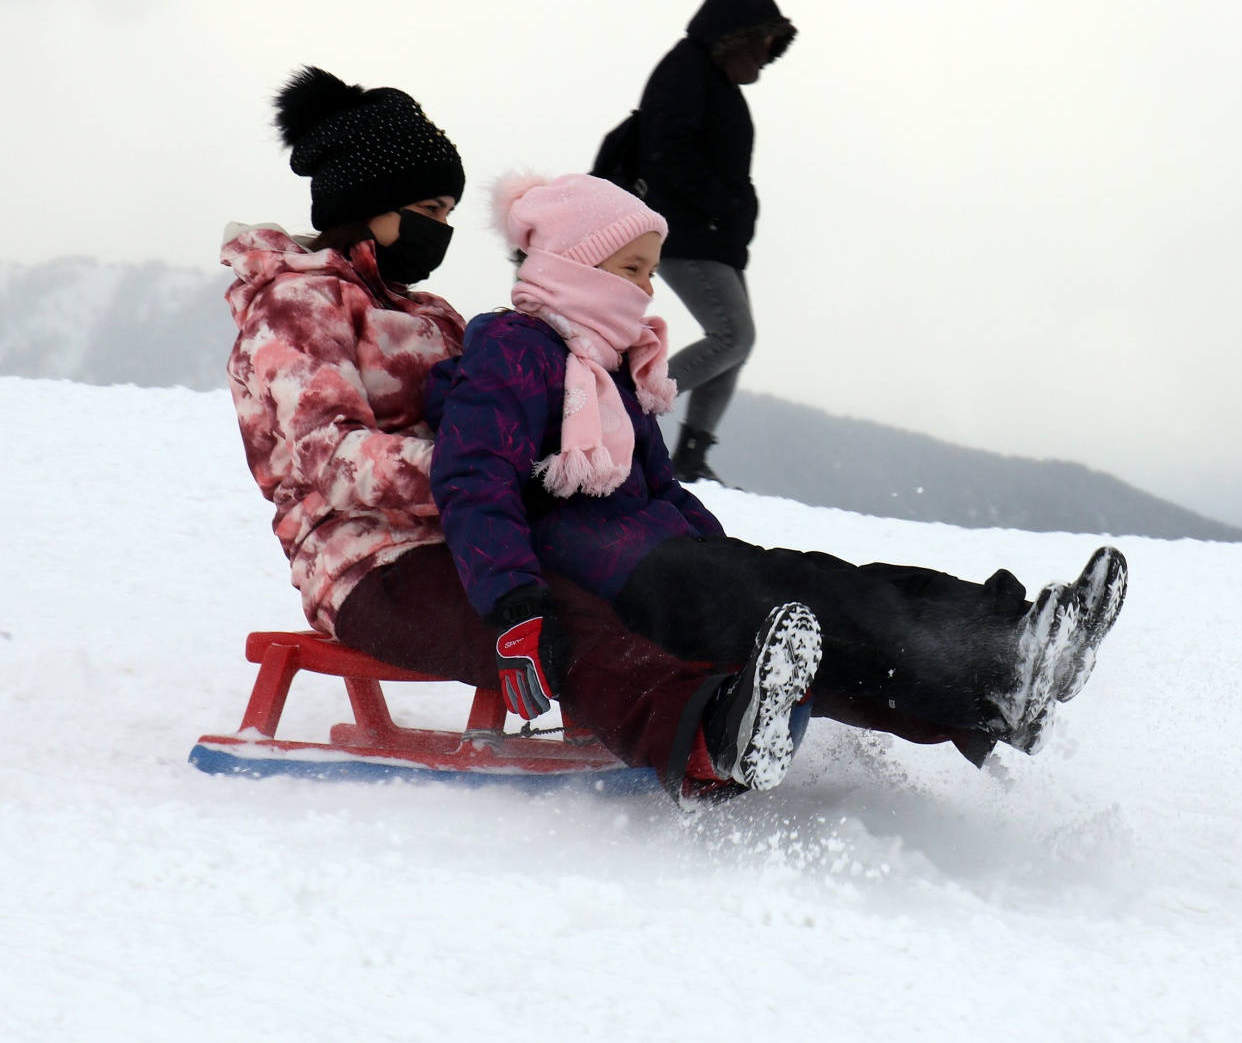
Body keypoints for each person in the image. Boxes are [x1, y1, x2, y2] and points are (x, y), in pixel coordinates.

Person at [429, 174, 1129, 795]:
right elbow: (472, 477)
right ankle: (1003, 663)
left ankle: (1008, 647)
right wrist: (515, 599)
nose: (646, 289)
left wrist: (724, 552)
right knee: (826, 604)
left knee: (827, 581)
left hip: (667, 560)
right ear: (575, 267)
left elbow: (660, 489)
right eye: (632, 269)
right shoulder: (513, 349)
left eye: (650, 272)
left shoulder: (609, 369)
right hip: (615, 574)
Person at [222, 66, 806, 801]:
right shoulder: (295, 306)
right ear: (370, 205)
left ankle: (743, 696)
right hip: (367, 561)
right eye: (429, 208)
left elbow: (499, 414)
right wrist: (479, 469)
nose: (443, 227)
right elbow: (329, 457)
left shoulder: (433, 314)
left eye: (451, 209)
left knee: (626, 583)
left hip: (471, 532)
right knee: (552, 619)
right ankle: (699, 733)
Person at [634, 0, 797, 483]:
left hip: (715, 236)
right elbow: (668, 149)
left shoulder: (714, 79)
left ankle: (691, 456)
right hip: (688, 232)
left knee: (734, 344)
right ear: (740, 33)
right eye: (765, 37)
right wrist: (719, 205)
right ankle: (630, 402)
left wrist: (729, 213)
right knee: (733, 336)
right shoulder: (688, 70)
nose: (770, 50)